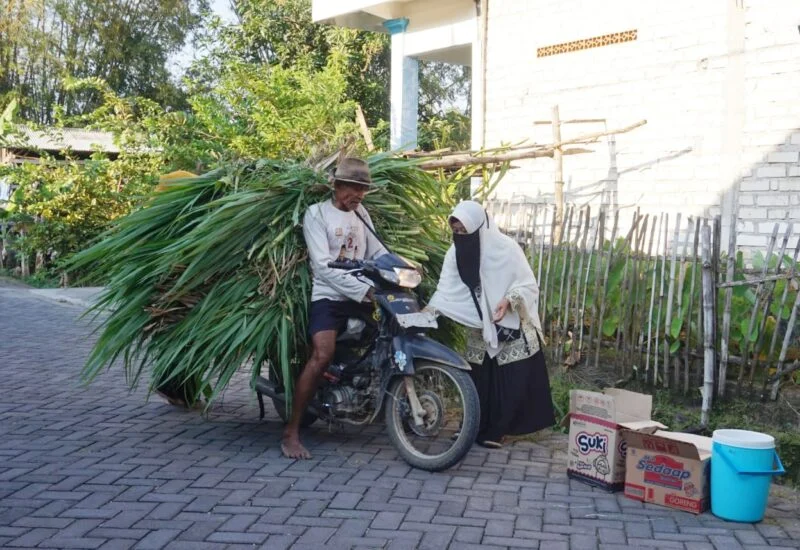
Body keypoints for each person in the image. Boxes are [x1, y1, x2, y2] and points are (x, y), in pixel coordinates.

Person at [427, 200, 555, 448]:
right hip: (479, 323)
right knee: (479, 378)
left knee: (510, 379)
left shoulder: (507, 248)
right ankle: (472, 427)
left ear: (478, 227)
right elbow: (446, 288)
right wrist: (430, 310)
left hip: (510, 322)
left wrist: (508, 300)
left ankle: (498, 431)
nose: (460, 237)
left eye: (465, 231)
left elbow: (528, 285)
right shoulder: (455, 253)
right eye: (456, 232)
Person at [281, 157, 387, 459]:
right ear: (336, 186)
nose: (357, 195)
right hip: (328, 297)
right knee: (322, 355)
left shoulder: (361, 213)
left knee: (381, 345)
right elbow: (323, 266)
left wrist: (400, 268)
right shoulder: (316, 214)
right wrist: (363, 289)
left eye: (362, 190)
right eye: (352, 188)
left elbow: (377, 250)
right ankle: (291, 432)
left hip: (361, 297)